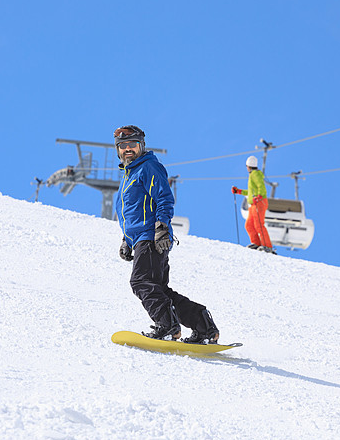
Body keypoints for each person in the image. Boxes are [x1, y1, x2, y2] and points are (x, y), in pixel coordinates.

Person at [113, 125, 220, 344]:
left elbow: (163, 198)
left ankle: (168, 327)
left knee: (141, 282)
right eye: (123, 146)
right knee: (158, 290)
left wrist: (161, 227)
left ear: (142, 146)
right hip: (141, 237)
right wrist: (127, 239)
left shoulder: (148, 167)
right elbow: (133, 212)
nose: (128, 150)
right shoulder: (129, 174)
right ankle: (204, 327)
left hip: (151, 236)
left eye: (132, 145)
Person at [231, 155, 275, 253]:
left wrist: (258, 197)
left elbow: (262, 188)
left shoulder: (255, 174)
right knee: (249, 225)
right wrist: (238, 191)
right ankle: (257, 243)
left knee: (259, 225)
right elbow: (250, 192)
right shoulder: (252, 175)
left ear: (248, 166)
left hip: (259, 203)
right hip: (253, 204)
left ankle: (267, 247)